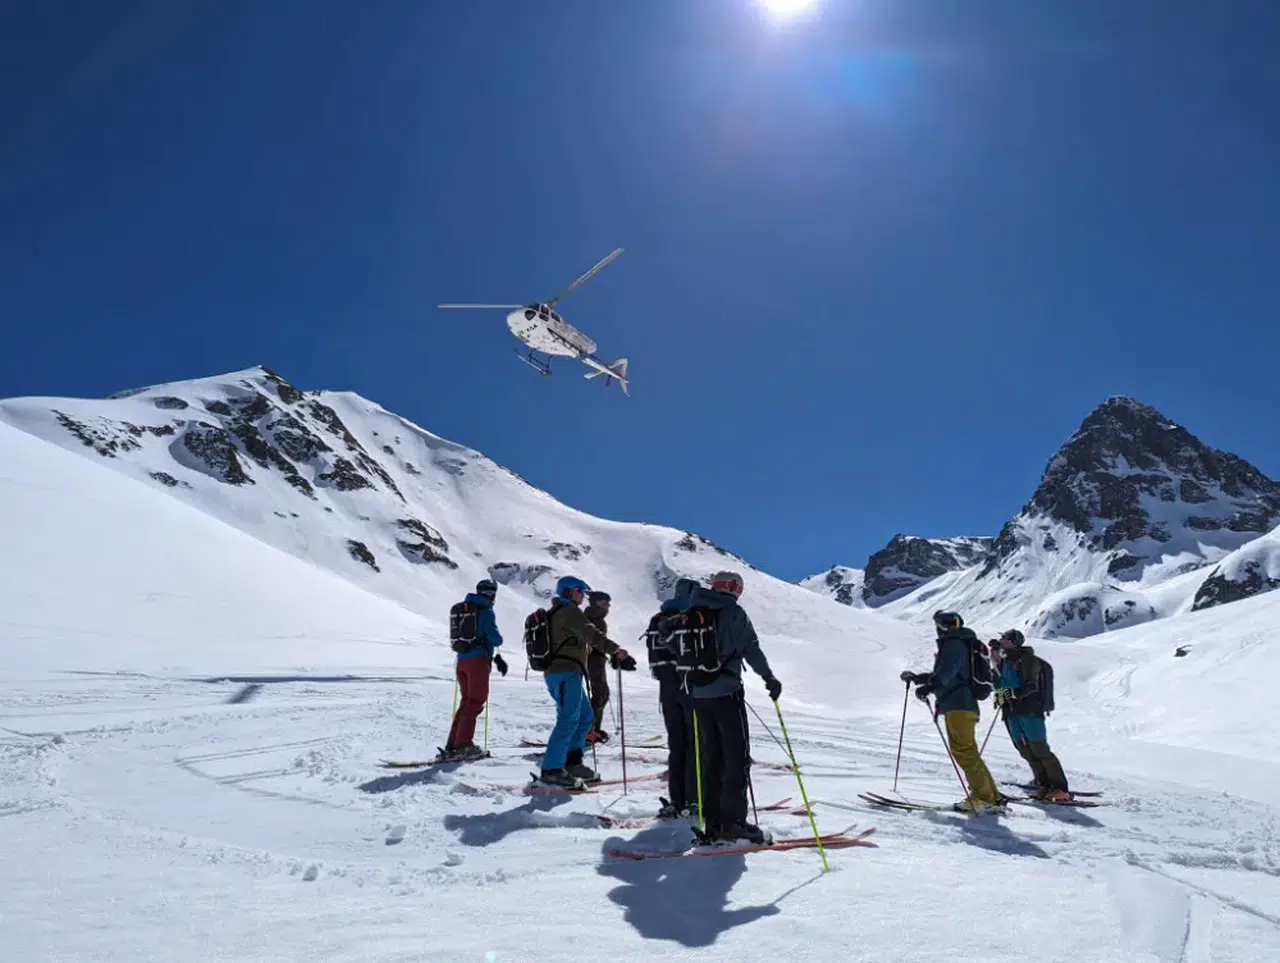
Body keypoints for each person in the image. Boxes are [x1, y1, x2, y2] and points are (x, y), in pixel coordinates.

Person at [679, 571, 782, 845]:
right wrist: (769, 678)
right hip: (727, 692)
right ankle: (733, 824)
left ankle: (713, 823)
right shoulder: (733, 613)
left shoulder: (693, 609)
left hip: (698, 694)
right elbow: (751, 649)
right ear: (736, 589)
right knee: (736, 757)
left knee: (711, 757)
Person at [900, 610, 1001, 811]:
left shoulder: (953, 643)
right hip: (964, 705)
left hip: (958, 704)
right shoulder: (962, 642)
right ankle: (989, 796)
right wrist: (919, 678)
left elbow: (947, 672)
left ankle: (984, 798)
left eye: (937, 625)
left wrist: (929, 687)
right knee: (967, 751)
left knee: (964, 751)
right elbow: (950, 673)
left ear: (942, 627)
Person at [539, 576, 633, 789]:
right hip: (564, 672)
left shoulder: (558, 612)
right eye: (580, 591)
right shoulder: (569, 611)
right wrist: (616, 651)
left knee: (584, 716)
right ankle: (552, 770)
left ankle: (572, 763)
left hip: (567, 672)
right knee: (568, 719)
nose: (582, 595)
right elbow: (592, 635)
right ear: (568, 591)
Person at [992, 629, 1070, 801]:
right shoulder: (1004, 662)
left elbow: (1031, 685)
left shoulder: (1027, 660)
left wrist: (1012, 693)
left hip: (1029, 710)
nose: (1001, 640)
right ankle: (1043, 783)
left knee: (1040, 748)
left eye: (1004, 638)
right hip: (1010, 712)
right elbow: (996, 682)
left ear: (1013, 641)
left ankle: (1059, 788)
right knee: (1024, 749)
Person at [645, 577, 698, 820]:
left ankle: (678, 799)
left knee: (677, 744)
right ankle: (695, 799)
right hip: (687, 685)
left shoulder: (658, 619)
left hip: (666, 689)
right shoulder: (685, 617)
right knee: (695, 742)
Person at [443, 579, 507, 761]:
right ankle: (463, 745)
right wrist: (497, 640)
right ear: (492, 594)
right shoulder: (486, 611)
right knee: (476, 701)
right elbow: (495, 638)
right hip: (478, 661)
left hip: (462, 660)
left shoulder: (465, 608)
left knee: (466, 702)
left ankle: (453, 744)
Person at [584, 590, 613, 744]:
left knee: (601, 694)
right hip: (593, 660)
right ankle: (590, 731)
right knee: (600, 694)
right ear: (598, 603)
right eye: (606, 603)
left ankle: (593, 729)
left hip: (594, 659)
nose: (608, 607)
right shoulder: (595, 618)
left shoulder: (592, 617)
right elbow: (595, 640)